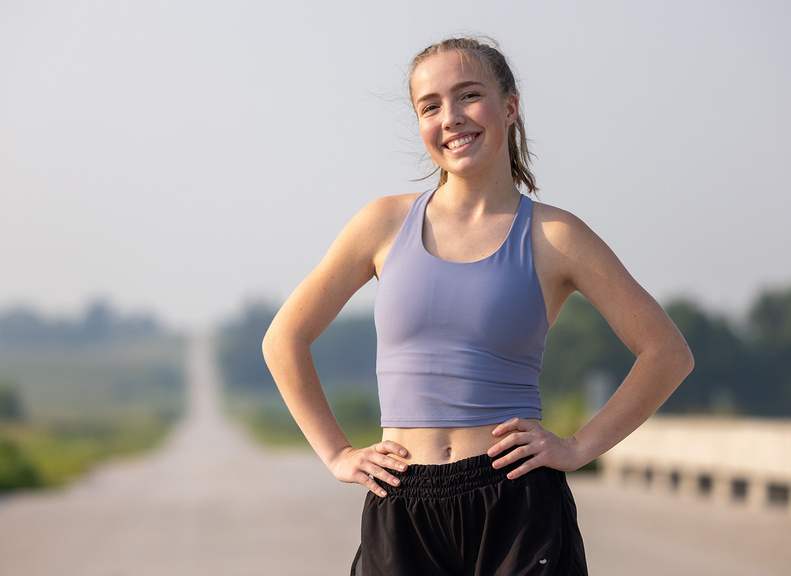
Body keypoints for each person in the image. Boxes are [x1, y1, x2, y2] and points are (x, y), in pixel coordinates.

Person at [262, 37, 694, 576]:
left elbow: (666, 352)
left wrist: (579, 447)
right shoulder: (382, 224)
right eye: (431, 105)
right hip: (402, 503)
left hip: (517, 503)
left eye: (469, 96)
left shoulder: (556, 236)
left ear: (509, 107)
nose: (451, 118)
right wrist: (337, 454)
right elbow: (284, 339)